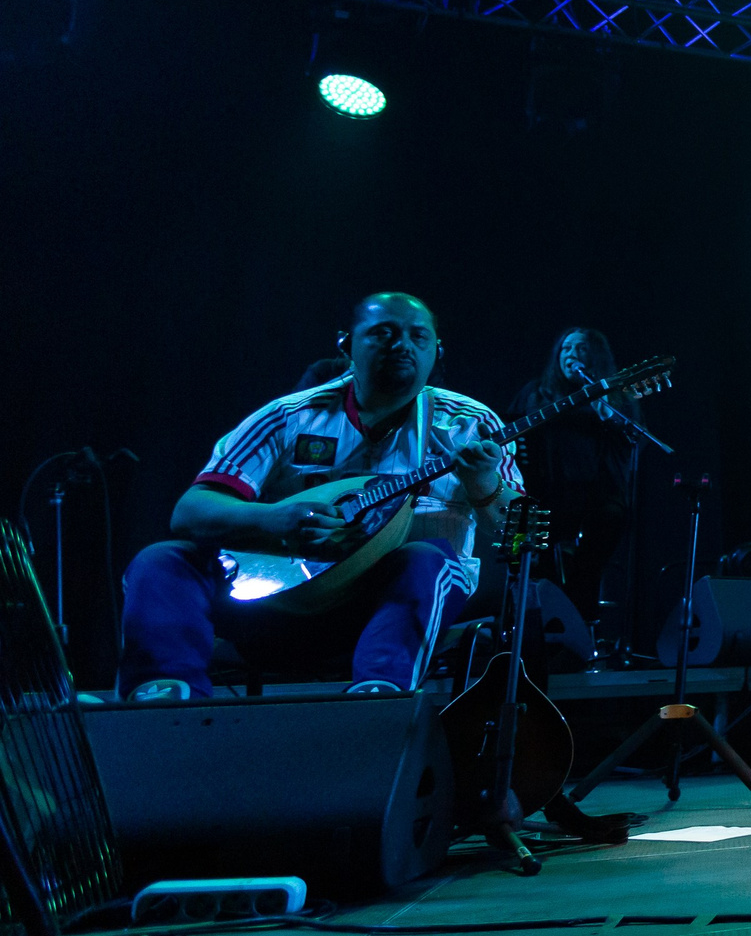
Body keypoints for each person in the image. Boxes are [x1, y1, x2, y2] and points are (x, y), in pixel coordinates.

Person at [119, 292, 521, 699]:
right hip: (284, 600)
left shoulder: (471, 424)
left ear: (437, 351)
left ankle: (377, 695)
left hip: (388, 607)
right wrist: (274, 519)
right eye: (384, 333)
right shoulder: (289, 416)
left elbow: (524, 538)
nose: (402, 345)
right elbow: (191, 510)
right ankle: (167, 696)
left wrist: (485, 487)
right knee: (162, 561)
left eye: (419, 336)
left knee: (428, 558)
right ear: (346, 344)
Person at [509, 326, 637, 624]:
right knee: (523, 541)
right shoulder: (535, 393)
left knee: (606, 526)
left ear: (595, 356)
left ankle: (579, 630)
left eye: (580, 349)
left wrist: (604, 407)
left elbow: (629, 442)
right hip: (543, 493)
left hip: (596, 496)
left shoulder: (613, 394)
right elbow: (510, 432)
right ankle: (531, 628)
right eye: (566, 349)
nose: (572, 355)